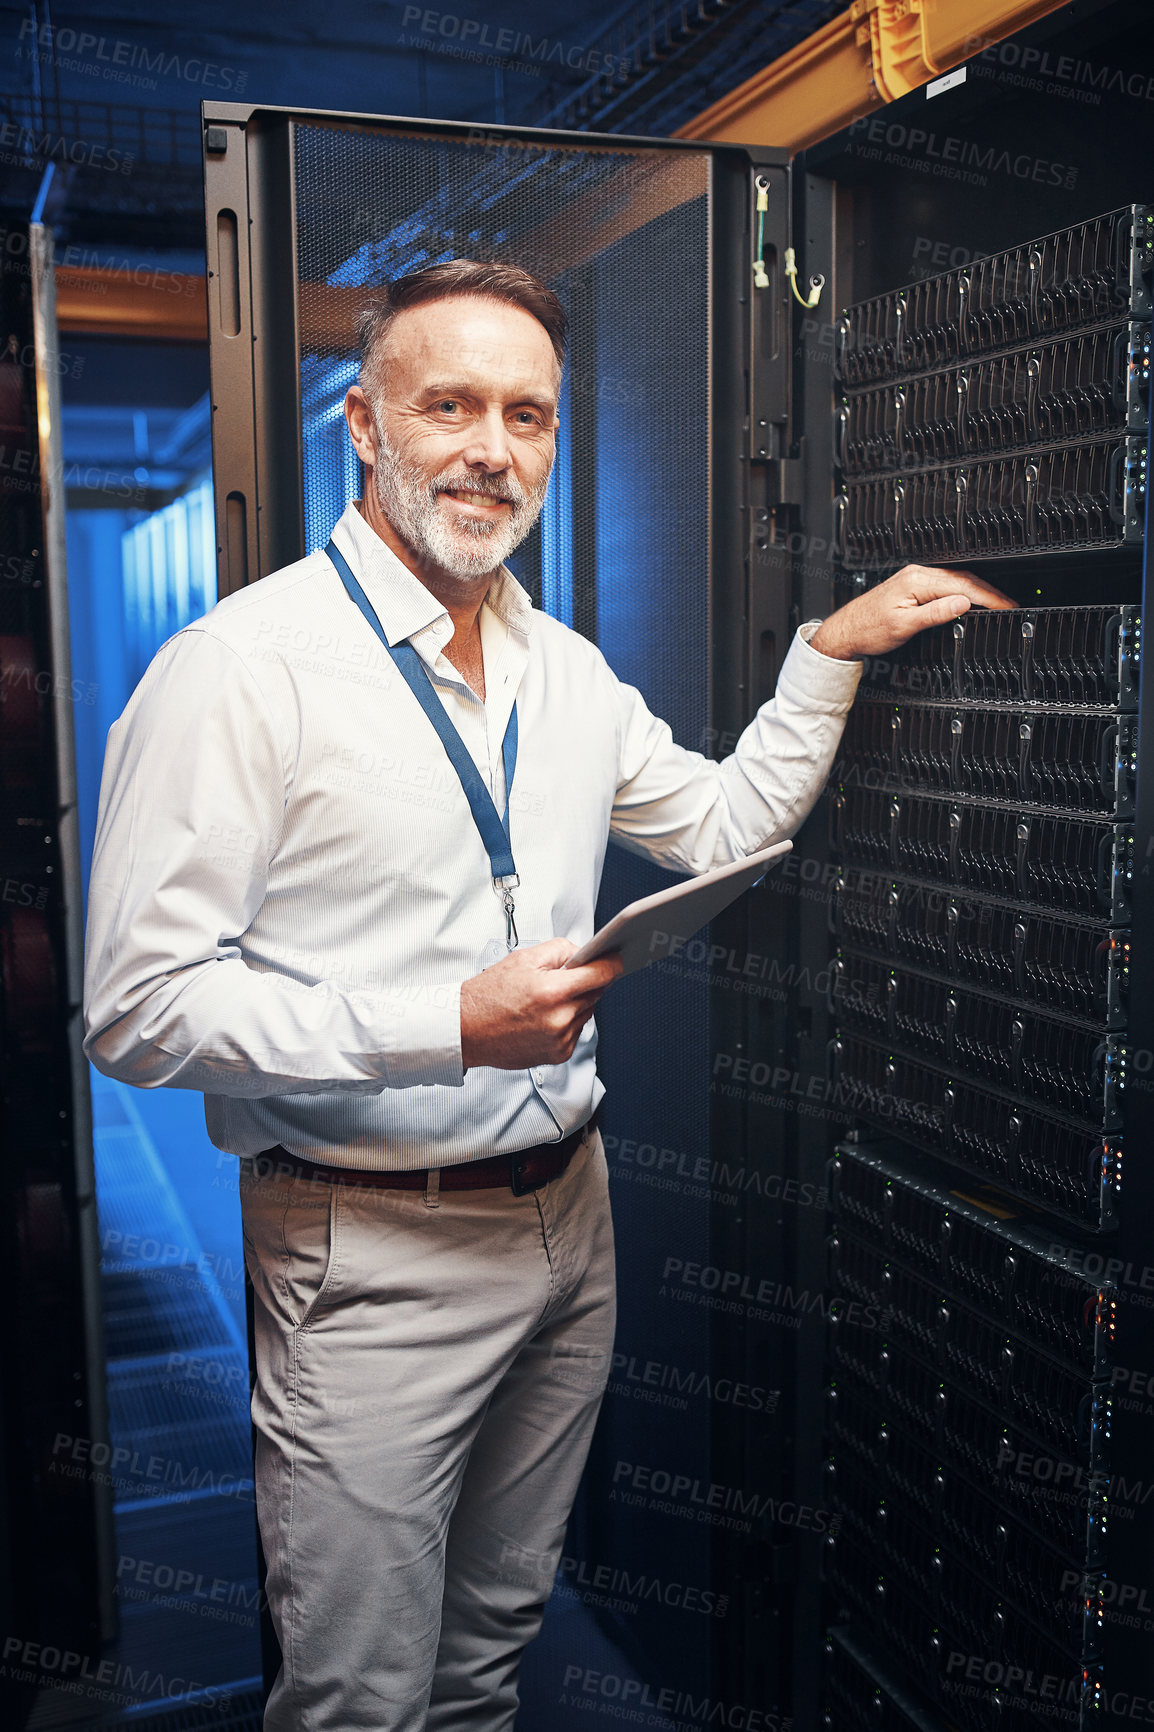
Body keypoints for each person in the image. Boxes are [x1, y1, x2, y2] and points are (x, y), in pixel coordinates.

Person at [83, 259, 1013, 1731]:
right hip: (366, 1248)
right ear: (363, 425)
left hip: (566, 1224)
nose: (490, 448)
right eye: (446, 404)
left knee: (486, 1656)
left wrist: (827, 654)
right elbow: (133, 1009)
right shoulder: (239, 674)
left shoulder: (562, 670)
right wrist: (447, 1021)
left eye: (527, 414)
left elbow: (714, 825)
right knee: (359, 1697)